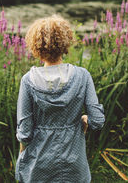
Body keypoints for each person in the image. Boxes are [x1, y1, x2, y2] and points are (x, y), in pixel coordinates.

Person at [15, 15, 105, 182]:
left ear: (36, 48)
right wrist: (85, 120)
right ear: (65, 44)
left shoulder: (28, 81)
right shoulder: (82, 76)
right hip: (74, 162)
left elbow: (25, 132)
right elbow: (98, 120)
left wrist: (22, 155)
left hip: (39, 163)